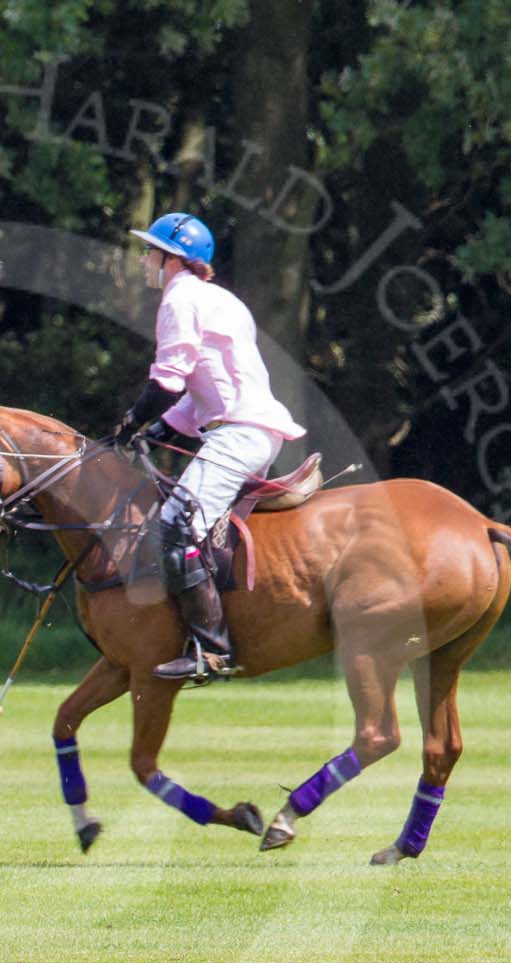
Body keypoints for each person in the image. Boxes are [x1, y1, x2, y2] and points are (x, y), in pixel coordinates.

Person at [109, 212, 306, 682]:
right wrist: (159, 432)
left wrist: (133, 421)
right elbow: (206, 386)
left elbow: (169, 380)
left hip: (237, 432)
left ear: (172, 259)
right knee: (182, 519)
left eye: (149, 251)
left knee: (175, 524)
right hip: (243, 427)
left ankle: (212, 649)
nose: (144, 259)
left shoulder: (180, 300)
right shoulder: (219, 299)